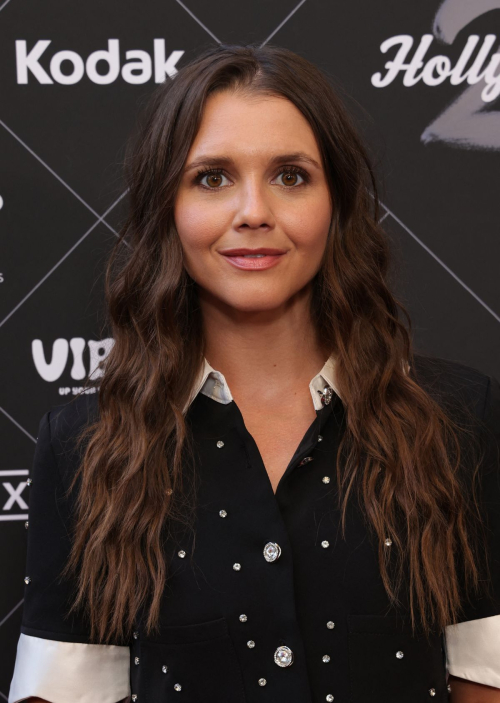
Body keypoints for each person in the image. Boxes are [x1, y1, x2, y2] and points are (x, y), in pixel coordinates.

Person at [8, 43, 500, 703]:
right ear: (168, 209)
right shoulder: (82, 449)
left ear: (338, 203)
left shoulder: (461, 420)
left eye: (290, 176)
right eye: (212, 177)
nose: (253, 211)